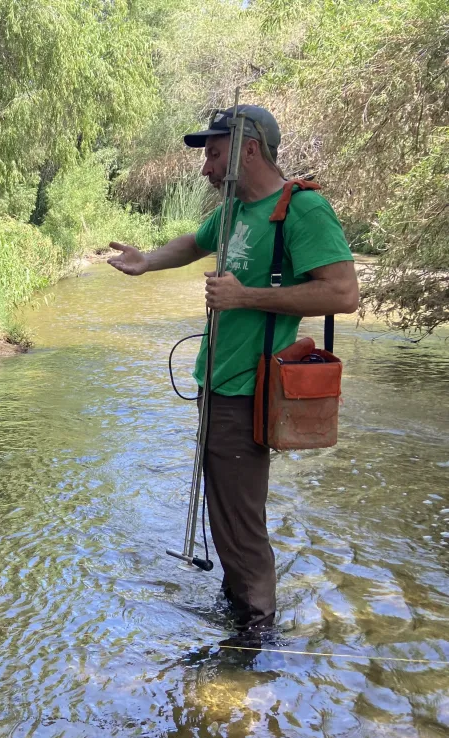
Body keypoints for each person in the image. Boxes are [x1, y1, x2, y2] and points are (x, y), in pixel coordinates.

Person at [107, 105, 359, 633]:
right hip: (217, 383)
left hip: (252, 388)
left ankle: (256, 635)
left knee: (241, 519)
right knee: (226, 506)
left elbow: (343, 292)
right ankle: (237, 606)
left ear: (249, 150)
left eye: (214, 153)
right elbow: (193, 244)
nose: (205, 168)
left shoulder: (302, 210)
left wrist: (246, 296)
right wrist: (146, 260)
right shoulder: (232, 209)